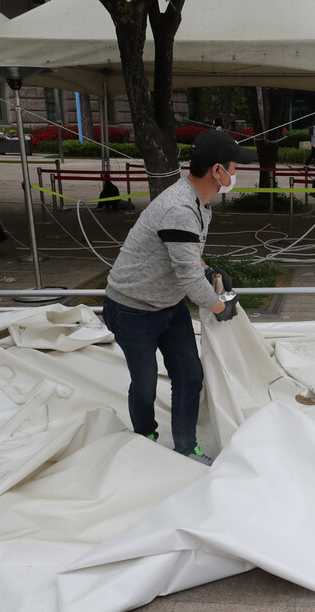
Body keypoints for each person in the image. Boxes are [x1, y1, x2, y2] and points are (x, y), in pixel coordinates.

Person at [102, 129, 255, 466]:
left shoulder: (199, 205)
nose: (236, 173)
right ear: (217, 171)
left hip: (168, 306)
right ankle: (145, 436)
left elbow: (185, 257)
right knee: (144, 385)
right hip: (131, 308)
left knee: (189, 375)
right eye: (233, 166)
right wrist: (220, 307)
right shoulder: (180, 208)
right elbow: (187, 278)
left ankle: (186, 446)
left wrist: (208, 270)